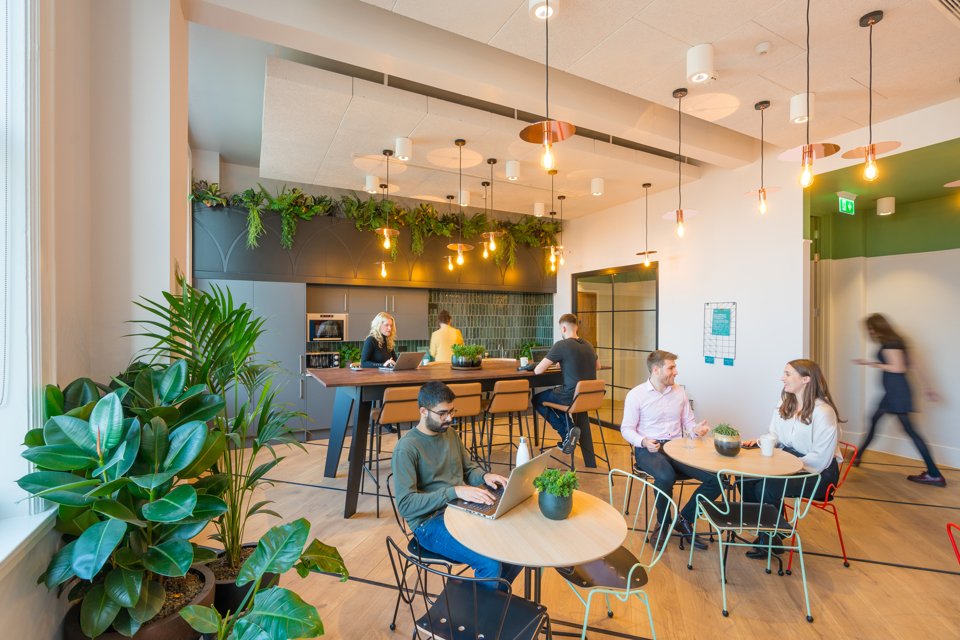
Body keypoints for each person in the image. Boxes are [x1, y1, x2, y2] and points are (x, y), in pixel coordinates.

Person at [392, 382, 521, 590]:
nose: (450, 418)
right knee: (490, 563)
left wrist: (485, 477)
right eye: (443, 413)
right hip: (429, 523)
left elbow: (469, 470)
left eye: (452, 411)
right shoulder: (407, 448)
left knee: (515, 545)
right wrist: (454, 491)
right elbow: (406, 505)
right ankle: (481, 616)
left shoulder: (450, 434)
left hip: (460, 507)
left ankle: (492, 604)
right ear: (423, 412)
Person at [741, 359, 843, 558]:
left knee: (766, 487)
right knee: (745, 479)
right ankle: (770, 532)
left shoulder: (824, 412)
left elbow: (820, 458)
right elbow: (775, 436)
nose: (782, 378)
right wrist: (761, 442)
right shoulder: (785, 402)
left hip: (819, 472)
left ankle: (771, 537)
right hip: (788, 462)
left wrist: (786, 465)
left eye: (788, 374)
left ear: (806, 379)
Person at [620, 350, 718, 550]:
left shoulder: (679, 391)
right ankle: (663, 523)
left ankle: (684, 520)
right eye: (671, 367)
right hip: (649, 449)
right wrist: (643, 441)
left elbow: (688, 423)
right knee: (666, 476)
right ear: (656, 370)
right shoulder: (636, 395)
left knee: (718, 478)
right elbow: (626, 429)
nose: (676, 372)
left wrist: (696, 430)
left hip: (678, 447)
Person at [852, 313, 945, 486]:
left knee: (910, 430)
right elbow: (914, 365)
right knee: (874, 420)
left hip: (897, 394)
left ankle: (934, 474)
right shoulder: (898, 341)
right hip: (894, 393)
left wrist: (869, 363)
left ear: (877, 327)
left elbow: (898, 368)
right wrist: (927, 387)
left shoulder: (890, 343)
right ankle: (857, 457)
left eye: (870, 328)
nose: (869, 332)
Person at [532, 313, 600, 455]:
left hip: (571, 396)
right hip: (587, 397)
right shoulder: (588, 345)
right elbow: (597, 366)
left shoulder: (561, 345)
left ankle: (566, 432)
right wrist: (566, 363)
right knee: (554, 398)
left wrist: (562, 361)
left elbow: (538, 370)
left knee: (537, 399)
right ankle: (569, 433)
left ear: (563, 328)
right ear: (576, 328)